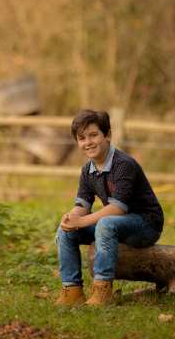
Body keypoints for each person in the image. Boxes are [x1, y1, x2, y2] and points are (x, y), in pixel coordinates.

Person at [55, 109, 164, 306]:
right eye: (82, 138)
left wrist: (83, 221)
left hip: (145, 224)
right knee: (65, 231)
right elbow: (83, 204)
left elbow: (118, 208)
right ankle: (72, 291)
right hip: (116, 225)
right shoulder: (87, 170)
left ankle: (102, 290)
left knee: (106, 223)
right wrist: (71, 218)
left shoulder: (123, 164)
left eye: (94, 135)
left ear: (107, 135)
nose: (88, 142)